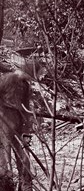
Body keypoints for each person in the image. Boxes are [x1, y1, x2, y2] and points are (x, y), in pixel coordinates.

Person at [0, 62, 45, 191]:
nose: (40, 78)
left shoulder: (25, 85)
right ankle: (6, 187)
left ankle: (26, 187)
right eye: (39, 74)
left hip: (19, 125)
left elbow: (26, 110)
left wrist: (27, 131)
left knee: (24, 157)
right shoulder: (8, 78)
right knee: (4, 160)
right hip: (4, 125)